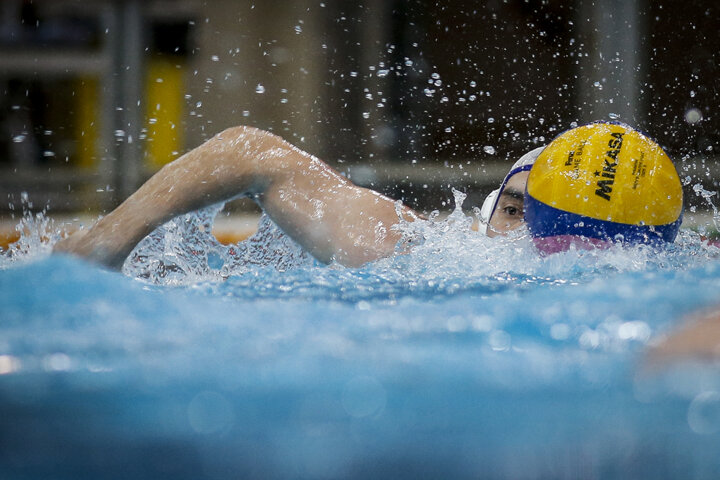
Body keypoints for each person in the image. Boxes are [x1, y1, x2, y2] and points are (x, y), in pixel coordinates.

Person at [53, 125, 537, 269]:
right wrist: (104, 240)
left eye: (547, 221)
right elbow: (255, 152)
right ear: (489, 208)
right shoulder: (413, 251)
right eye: (514, 211)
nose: (526, 236)